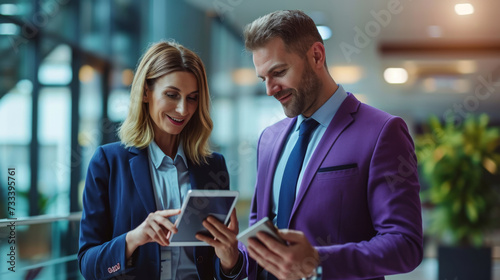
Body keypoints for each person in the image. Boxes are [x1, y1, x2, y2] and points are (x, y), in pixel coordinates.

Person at [210, 10, 423, 280]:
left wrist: (318, 261)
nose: (270, 89)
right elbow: (261, 236)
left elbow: (405, 245)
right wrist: (233, 259)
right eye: (264, 79)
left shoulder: (382, 131)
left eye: (279, 72)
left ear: (316, 56)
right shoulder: (269, 139)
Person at [78, 40, 240, 280]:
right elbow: (88, 265)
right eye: (172, 95)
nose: (183, 109)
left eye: (192, 98)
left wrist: (229, 257)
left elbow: (220, 269)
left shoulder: (212, 166)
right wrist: (134, 238)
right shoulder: (109, 162)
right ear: (145, 92)